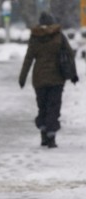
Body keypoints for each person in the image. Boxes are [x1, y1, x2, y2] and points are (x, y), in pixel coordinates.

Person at [19, 11, 79, 148]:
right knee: (53, 107)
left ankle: (44, 132)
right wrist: (73, 74)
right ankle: (51, 136)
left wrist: (22, 78)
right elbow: (69, 54)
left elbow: (28, 59)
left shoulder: (35, 37)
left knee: (43, 107)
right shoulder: (59, 36)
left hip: (39, 79)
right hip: (57, 78)